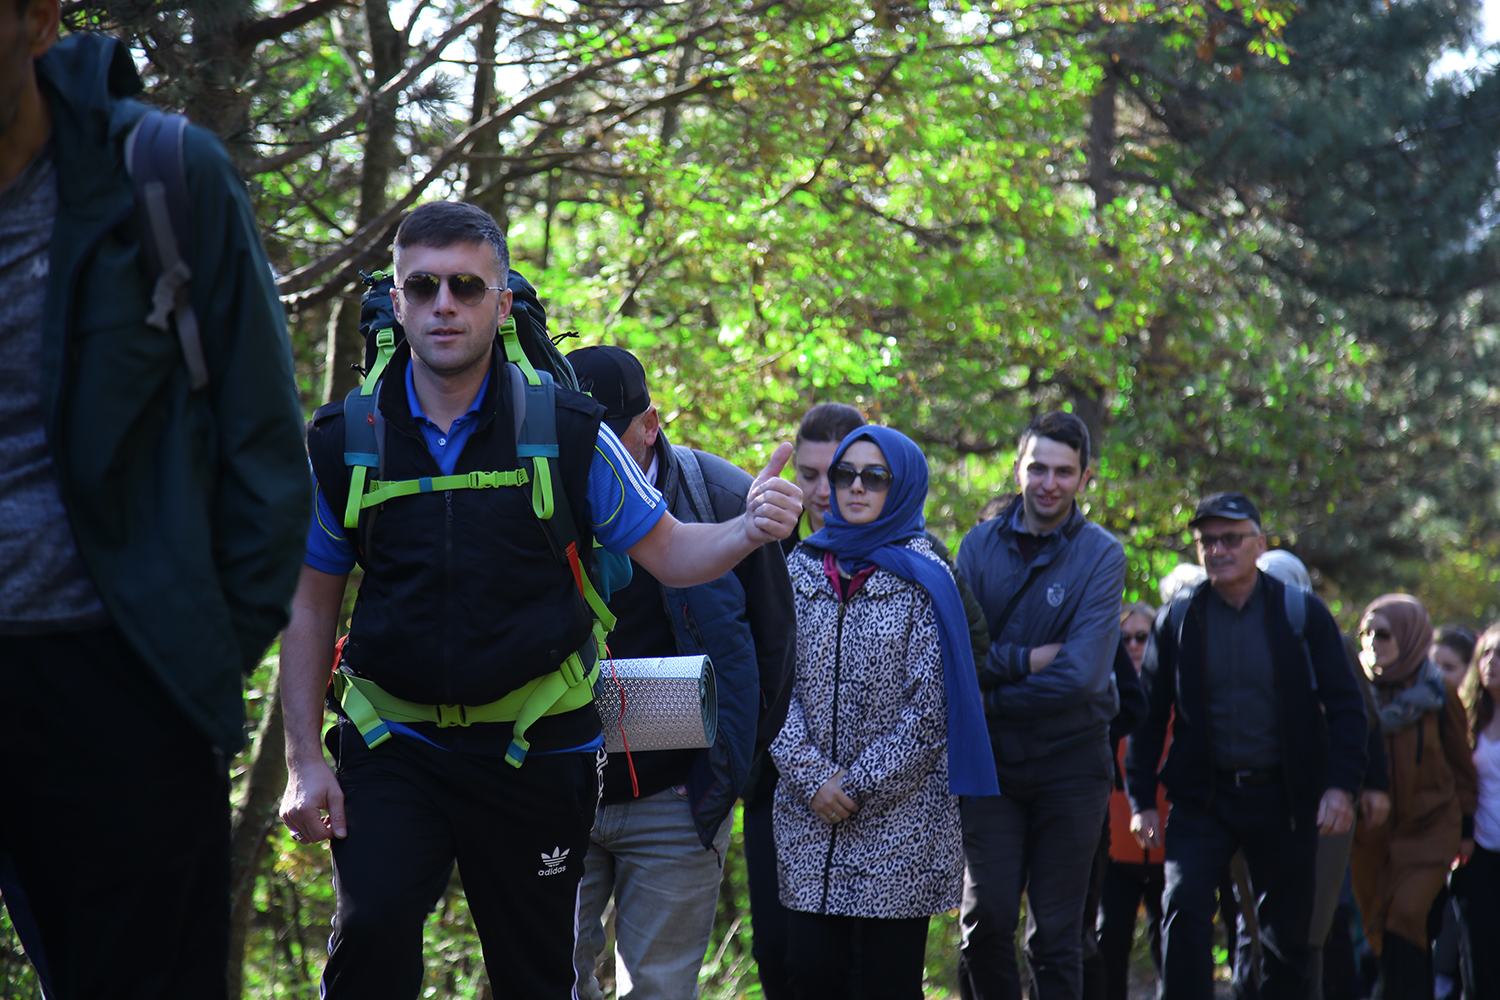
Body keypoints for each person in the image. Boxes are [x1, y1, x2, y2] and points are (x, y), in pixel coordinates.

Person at [277, 201, 804, 1000]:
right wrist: (303, 761)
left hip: (536, 748)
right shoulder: (347, 438)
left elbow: (670, 553)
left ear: (499, 300)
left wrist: (745, 530)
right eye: (421, 288)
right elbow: (311, 605)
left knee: (534, 975)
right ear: (398, 296)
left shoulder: (571, 433)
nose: (443, 305)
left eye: (464, 286)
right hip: (393, 744)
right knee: (372, 938)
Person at [1, 6, 310, 997]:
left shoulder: (162, 176)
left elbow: (266, 449)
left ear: (36, 20)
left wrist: (195, 663)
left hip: (123, 683)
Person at [564, 345, 796, 1000]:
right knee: (548, 979)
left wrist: (729, 767)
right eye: (585, 441)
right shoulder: (541, 495)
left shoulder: (721, 494)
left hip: (678, 799)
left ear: (652, 424)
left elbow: (775, 647)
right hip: (560, 788)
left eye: (615, 439)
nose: (599, 458)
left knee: (661, 990)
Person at [743, 401, 988, 1000]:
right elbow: (770, 684)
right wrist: (813, 779)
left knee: (886, 983)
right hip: (807, 815)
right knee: (809, 973)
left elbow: (930, 714)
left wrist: (853, 787)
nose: (852, 487)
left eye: (872, 476)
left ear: (899, 485)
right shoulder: (796, 568)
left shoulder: (927, 576)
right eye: (842, 473)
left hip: (898, 820)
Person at [1125, 492, 1368, 1000]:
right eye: (1207, 540)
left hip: (1285, 800)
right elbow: (1147, 717)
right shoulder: (1178, 619)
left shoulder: (1302, 614)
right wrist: (1142, 800)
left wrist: (1341, 788)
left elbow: (1349, 709)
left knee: (1286, 940)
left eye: (1230, 538)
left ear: (1258, 544)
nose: (1218, 549)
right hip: (1203, 801)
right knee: (1185, 907)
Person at [955, 410, 1127, 1000]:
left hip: (1071, 764)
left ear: (1084, 479)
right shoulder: (976, 547)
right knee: (984, 925)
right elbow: (963, 660)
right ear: (1017, 468)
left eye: (1063, 471)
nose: (1048, 482)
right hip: (993, 767)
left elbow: (1080, 678)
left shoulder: (1103, 557)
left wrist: (990, 694)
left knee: (1056, 936)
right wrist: (1024, 662)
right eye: (1037, 468)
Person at [1349, 594, 1477, 999]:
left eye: (1383, 634)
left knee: (1406, 914)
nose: (1372, 642)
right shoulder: (1351, 694)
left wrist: (1466, 828)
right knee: (1381, 926)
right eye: (1365, 633)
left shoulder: (1437, 697)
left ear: (1409, 635)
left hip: (1429, 831)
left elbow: (1462, 765)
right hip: (1370, 836)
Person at [1097, 602, 1167, 1000]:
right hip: (1113, 844)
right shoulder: (1100, 691)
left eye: (1144, 637)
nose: (1135, 646)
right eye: (1125, 639)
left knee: (1172, 941)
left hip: (1169, 840)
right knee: (1109, 941)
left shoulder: (1176, 691)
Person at [1452, 624, 1500, 999]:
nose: (1492, 663)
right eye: (1485, 654)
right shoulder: (1465, 715)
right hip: (1477, 849)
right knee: (1477, 955)